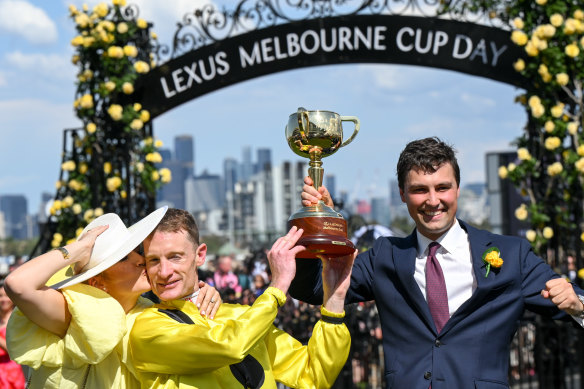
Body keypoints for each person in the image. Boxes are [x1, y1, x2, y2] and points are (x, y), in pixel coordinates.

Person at [290, 136, 584, 388]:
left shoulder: (512, 254)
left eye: (442, 187)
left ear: (457, 188)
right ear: (403, 195)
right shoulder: (384, 256)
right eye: (420, 190)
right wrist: (319, 223)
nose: (433, 200)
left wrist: (577, 304)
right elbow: (313, 289)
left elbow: (570, 300)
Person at [130, 208, 354, 388]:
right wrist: (276, 289)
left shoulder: (244, 317)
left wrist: (334, 300)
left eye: (175, 257)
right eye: (154, 260)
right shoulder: (146, 328)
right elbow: (230, 346)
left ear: (199, 255)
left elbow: (313, 376)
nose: (164, 271)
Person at [4, 207, 220, 388]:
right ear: (98, 283)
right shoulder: (75, 313)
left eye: (138, 252)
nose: (140, 260)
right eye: (123, 257)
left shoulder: (151, 310)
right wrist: (80, 249)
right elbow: (18, 284)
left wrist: (202, 292)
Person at [0, 279, 25, 389]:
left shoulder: (18, 320)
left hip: (12, 374)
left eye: (6, 296)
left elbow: (14, 351)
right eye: (0, 296)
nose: (3, 299)